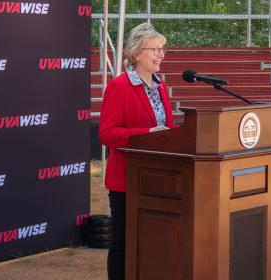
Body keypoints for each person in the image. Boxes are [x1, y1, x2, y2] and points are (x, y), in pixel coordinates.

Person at [98, 22, 177, 280]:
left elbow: (170, 128)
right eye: (155, 49)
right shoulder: (119, 86)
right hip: (127, 180)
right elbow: (106, 133)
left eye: (162, 49)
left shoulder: (161, 86)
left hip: (158, 179)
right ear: (136, 53)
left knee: (152, 240)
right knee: (122, 243)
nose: (161, 55)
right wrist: (146, 135)